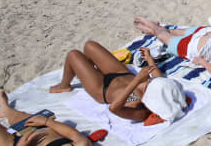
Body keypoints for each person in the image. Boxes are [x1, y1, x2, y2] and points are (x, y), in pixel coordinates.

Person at [48, 42, 187, 123]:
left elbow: (114, 108)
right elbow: (159, 77)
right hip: (121, 74)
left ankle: (64, 86)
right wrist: (149, 58)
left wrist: (136, 81)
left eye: (149, 84)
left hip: (102, 88)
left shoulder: (140, 110)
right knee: (89, 45)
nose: (149, 82)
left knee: (73, 55)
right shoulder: (156, 87)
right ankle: (91, 70)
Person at [133, 9, 211, 76]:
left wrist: (201, 61)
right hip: (205, 33)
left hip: (191, 47)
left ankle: (149, 25)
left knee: (162, 34)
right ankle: (153, 28)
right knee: (170, 32)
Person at [0, 90, 91, 146]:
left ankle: (6, 109)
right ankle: (6, 109)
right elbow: (74, 135)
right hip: (40, 129)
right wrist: (47, 122)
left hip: (16, 143)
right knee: (19, 116)